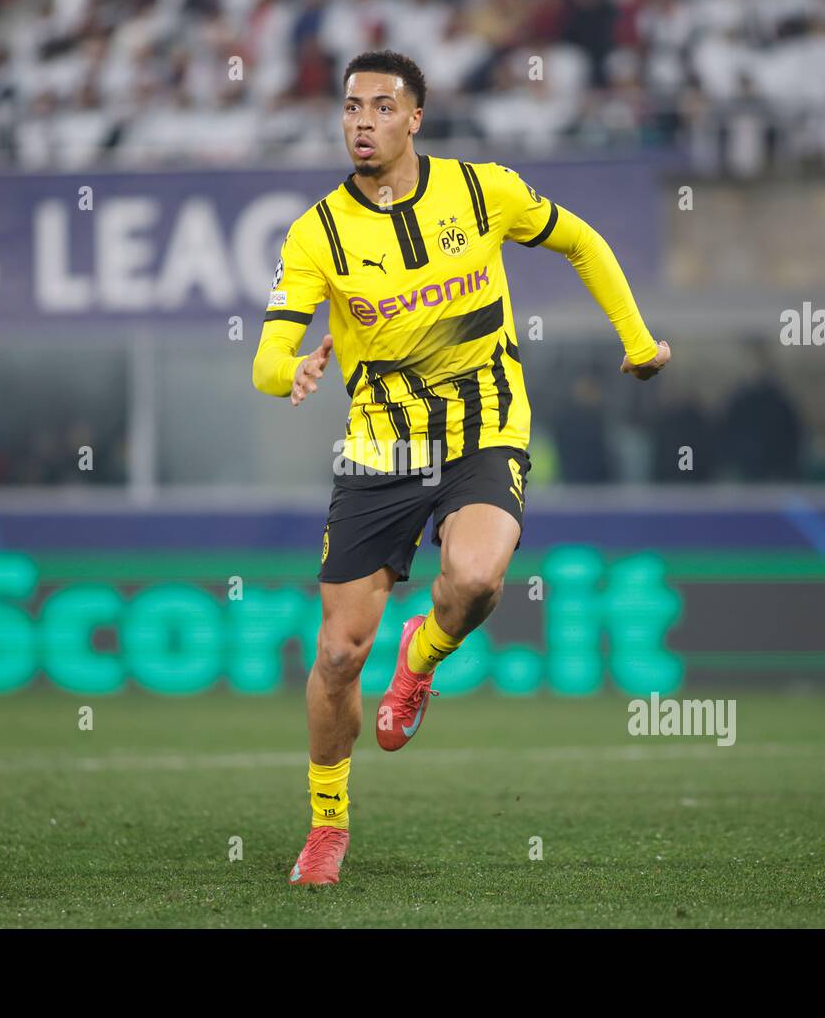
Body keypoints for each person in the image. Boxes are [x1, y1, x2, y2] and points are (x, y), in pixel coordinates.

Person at [251, 49, 670, 886]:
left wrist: (637, 340)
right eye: (349, 108)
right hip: (380, 446)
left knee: (476, 580)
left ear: (415, 118)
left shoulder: (484, 191)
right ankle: (327, 825)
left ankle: (421, 660)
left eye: (379, 107)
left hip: (485, 427)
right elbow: (268, 351)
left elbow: (582, 242)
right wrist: (287, 369)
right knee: (336, 655)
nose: (360, 122)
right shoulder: (317, 232)